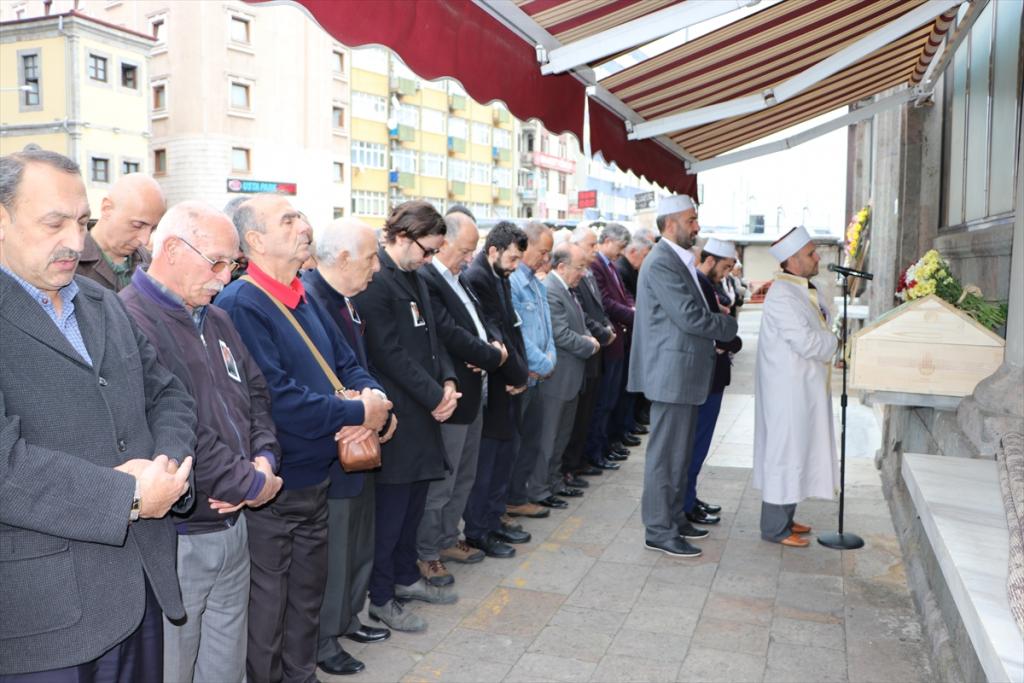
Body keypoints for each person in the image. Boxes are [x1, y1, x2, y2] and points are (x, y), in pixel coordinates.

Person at [0, 149, 196, 680]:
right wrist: (129, 496)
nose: (75, 240)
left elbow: (171, 396)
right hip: (45, 619)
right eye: (53, 222)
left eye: (82, 222)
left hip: (142, 588)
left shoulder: (103, 301)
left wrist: (166, 469)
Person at [217, 194, 391, 683]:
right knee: (270, 605)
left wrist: (372, 397)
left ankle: (301, 674)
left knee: (308, 594)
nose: (303, 226)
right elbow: (278, 399)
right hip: (279, 481)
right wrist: (358, 409)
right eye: (287, 220)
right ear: (254, 240)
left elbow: (348, 362)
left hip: (318, 476)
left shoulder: (303, 294)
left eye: (300, 216)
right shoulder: (242, 302)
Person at [119, 201, 283, 683]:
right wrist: (248, 482)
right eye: (216, 262)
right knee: (175, 667)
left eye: (232, 265)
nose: (225, 277)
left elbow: (257, 394)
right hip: (182, 534)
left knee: (224, 668)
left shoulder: (215, 317)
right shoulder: (132, 319)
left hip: (234, 524)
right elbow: (172, 421)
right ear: (170, 248)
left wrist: (265, 462)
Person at [352, 200, 461, 633]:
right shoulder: (377, 279)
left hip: (425, 409)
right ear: (402, 235)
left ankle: (405, 576)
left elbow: (435, 337)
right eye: (426, 249)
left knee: (414, 502)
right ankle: (381, 597)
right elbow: (388, 352)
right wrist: (435, 394)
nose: (429, 258)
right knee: (392, 512)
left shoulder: (414, 276)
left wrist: (448, 381)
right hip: (400, 411)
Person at [301, 217, 396, 676]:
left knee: (358, 541)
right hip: (336, 442)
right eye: (370, 257)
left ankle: (347, 617)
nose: (376, 268)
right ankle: (325, 639)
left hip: (361, 434)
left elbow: (358, 365)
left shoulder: (344, 299)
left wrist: (380, 406)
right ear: (341, 258)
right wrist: (363, 413)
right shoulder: (314, 297)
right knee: (334, 552)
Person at [628, 195, 738, 558]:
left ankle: (674, 519)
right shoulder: (661, 262)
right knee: (665, 457)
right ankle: (658, 529)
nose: (697, 226)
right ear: (671, 222)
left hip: (685, 374)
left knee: (678, 455)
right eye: (692, 220)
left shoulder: (676, 260)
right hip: (671, 373)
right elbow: (690, 316)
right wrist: (727, 325)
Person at [415, 210, 508, 586]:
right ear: (444, 242)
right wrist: (491, 355)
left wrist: (495, 346)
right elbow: (448, 333)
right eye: (465, 249)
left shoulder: (459, 278)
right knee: (442, 483)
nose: (470, 258)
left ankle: (448, 538)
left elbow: (484, 319)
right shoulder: (428, 279)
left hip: (475, 393)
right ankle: (427, 553)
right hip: (451, 394)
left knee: (463, 477)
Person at [753, 227, 839, 548]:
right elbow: (805, 341)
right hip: (787, 392)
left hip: (802, 387)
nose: (817, 258)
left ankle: (787, 517)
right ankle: (774, 527)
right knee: (785, 454)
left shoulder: (800, 289)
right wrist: (834, 342)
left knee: (799, 449)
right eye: (811, 253)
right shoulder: (781, 294)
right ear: (791, 260)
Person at [462, 221, 530, 557]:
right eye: (513, 258)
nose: (516, 266)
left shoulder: (500, 276)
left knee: (505, 457)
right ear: (493, 251)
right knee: (487, 464)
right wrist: (518, 376)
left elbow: (512, 330)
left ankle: (493, 519)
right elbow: (495, 333)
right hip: (496, 386)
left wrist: (521, 375)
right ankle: (478, 529)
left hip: (509, 382)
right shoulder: (478, 278)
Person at [529, 244, 599, 507]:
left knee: (561, 437)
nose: (583, 272)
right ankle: (539, 489)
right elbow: (560, 335)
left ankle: (554, 482)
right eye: (579, 267)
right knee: (548, 438)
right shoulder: (551, 290)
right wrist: (590, 344)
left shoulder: (567, 289)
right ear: (561, 267)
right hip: (556, 379)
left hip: (570, 378)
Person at [683, 238, 744, 528]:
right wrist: (731, 340)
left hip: (713, 376)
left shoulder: (707, 283)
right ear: (710, 260)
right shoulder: (700, 282)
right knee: (694, 445)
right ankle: (685, 505)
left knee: (700, 445)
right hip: (705, 378)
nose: (728, 273)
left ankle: (690, 498)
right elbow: (714, 329)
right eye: (726, 266)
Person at [509, 222, 567, 511]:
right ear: (525, 245)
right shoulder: (512, 282)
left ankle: (519, 497)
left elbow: (547, 331)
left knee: (531, 441)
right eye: (542, 252)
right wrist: (541, 363)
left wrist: (549, 360)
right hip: (524, 376)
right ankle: (510, 500)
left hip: (539, 376)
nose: (547, 259)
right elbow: (516, 332)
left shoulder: (535, 281)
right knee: (515, 444)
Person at [591, 223, 640, 455]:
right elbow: (606, 302)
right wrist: (632, 315)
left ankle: (608, 444)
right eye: (620, 246)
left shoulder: (611, 266)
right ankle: (600, 448)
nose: (621, 252)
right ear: (608, 240)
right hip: (609, 341)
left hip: (619, 340)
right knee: (604, 401)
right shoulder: (596, 265)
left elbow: (623, 295)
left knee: (612, 398)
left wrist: (632, 307)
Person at [77, 173, 166, 291]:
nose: (144, 240)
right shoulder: (70, 264)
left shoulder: (151, 265)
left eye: (153, 229)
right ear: (107, 208)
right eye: (137, 225)